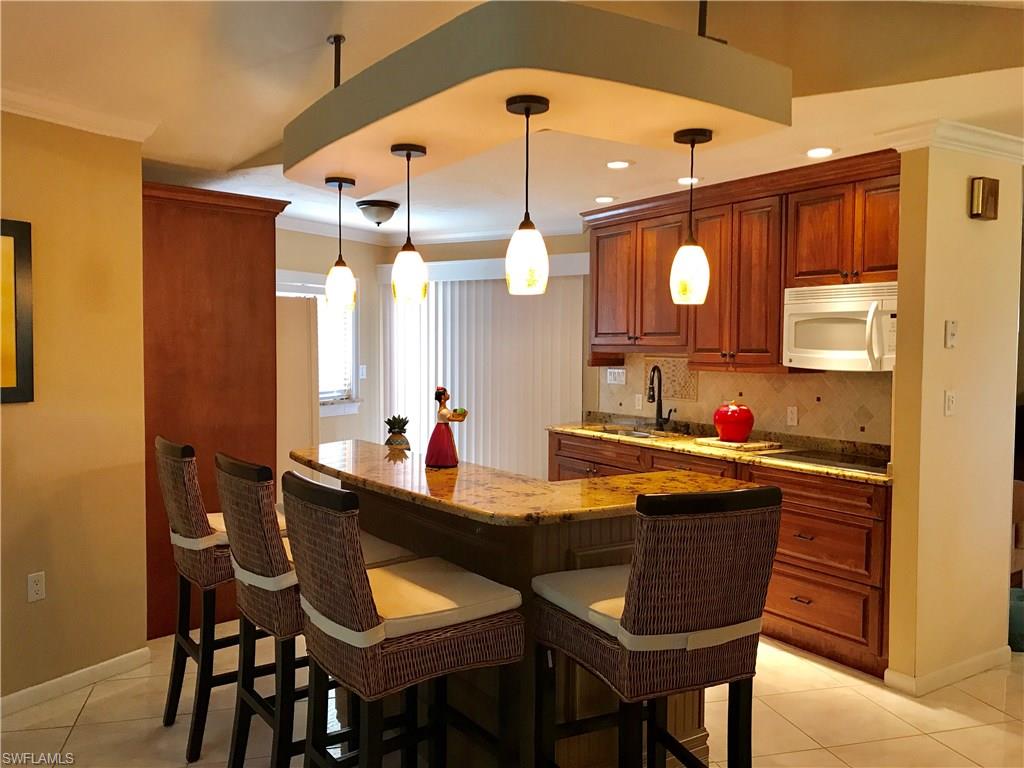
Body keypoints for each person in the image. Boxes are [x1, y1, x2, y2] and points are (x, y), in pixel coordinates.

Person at [425, 386, 467, 468]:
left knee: (444, 445)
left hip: (443, 428)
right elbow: (451, 418)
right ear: (442, 397)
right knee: (444, 445)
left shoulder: (444, 409)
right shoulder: (443, 411)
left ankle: (440, 460)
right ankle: (442, 461)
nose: (448, 394)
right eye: (446, 393)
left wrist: (457, 412)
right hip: (443, 429)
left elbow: (451, 413)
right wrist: (462, 418)